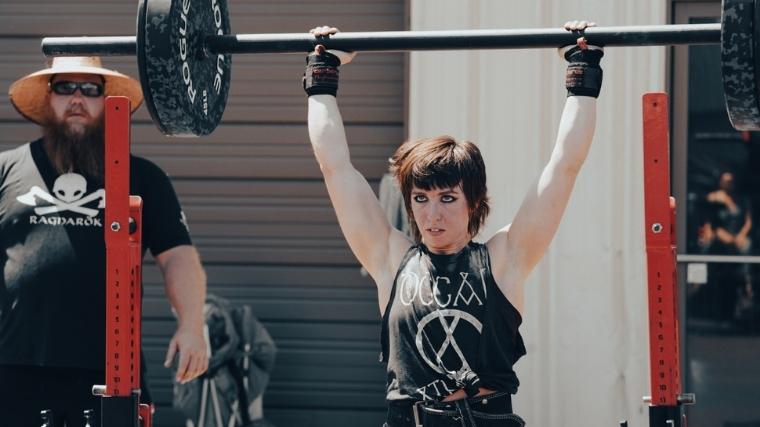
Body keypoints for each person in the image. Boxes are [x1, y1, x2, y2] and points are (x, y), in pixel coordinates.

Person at [304, 21, 602, 427]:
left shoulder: (503, 258)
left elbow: (565, 166)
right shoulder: (390, 259)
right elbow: (334, 167)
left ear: (472, 201)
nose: (432, 215)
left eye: (447, 198)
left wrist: (582, 66)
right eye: (421, 199)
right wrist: (323, 73)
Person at [0, 56, 209, 427]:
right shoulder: (6, 169)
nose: (77, 98)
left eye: (90, 89)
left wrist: (192, 325)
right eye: (65, 87)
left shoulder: (143, 177)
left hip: (111, 372)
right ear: (49, 98)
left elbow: (178, 255)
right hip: (14, 368)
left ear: (106, 99)